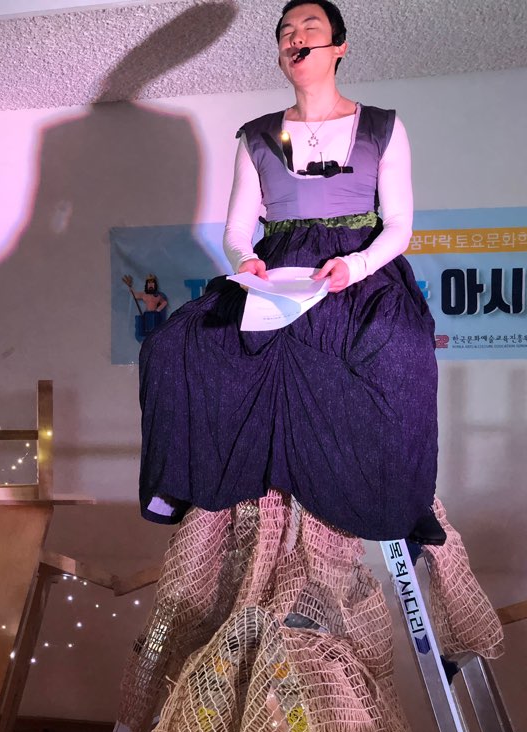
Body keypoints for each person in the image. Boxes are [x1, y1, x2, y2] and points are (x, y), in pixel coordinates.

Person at [138, 0, 444, 544]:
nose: (294, 37)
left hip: (358, 270)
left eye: (309, 27)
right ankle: (184, 482)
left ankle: (402, 499)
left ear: (339, 46)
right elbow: (237, 230)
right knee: (172, 345)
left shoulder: (383, 127)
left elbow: (399, 225)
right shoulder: (256, 135)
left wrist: (355, 264)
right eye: (285, 32)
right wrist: (246, 262)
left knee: (402, 348)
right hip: (278, 269)